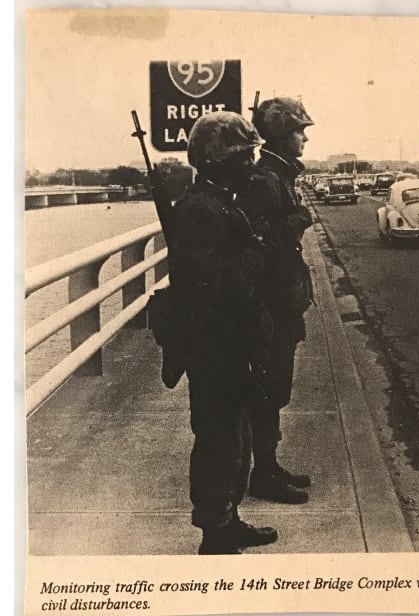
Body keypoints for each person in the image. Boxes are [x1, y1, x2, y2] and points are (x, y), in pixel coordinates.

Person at [166, 111, 278, 554]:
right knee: (218, 437)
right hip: (214, 344)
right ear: (216, 160)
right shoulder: (201, 210)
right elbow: (219, 284)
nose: (251, 162)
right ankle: (216, 529)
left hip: (228, 340)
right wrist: (255, 251)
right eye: (242, 155)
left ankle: (227, 517)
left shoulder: (218, 202)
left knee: (234, 434)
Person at [240, 96, 316, 504]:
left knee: (276, 391)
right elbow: (257, 242)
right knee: (268, 392)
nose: (304, 138)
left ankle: (268, 465)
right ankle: (263, 474)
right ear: (281, 135)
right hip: (270, 307)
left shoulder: (278, 175)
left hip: (280, 305)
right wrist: (298, 219)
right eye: (299, 131)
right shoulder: (266, 180)